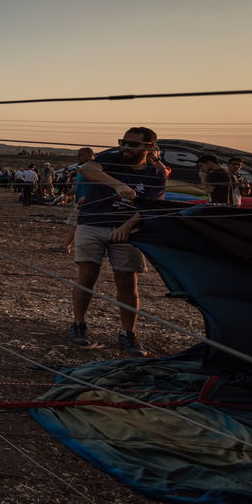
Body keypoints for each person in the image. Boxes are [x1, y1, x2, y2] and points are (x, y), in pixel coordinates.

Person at [67, 128, 168, 356]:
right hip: (92, 222)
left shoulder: (155, 174)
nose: (125, 148)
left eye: (133, 144)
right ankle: (79, 325)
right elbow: (87, 169)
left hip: (127, 230)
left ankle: (127, 334)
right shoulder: (110, 157)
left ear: (149, 147)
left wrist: (127, 227)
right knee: (87, 274)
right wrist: (117, 185)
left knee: (127, 281)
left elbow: (152, 206)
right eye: (123, 142)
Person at [61, 147, 94, 253]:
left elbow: (97, 185)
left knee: (76, 223)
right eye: (78, 154)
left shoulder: (93, 168)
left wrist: (88, 196)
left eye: (81, 154)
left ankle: (66, 246)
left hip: (88, 201)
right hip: (80, 201)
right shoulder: (81, 169)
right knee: (80, 224)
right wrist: (68, 193)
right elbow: (78, 185)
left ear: (90, 156)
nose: (78, 156)